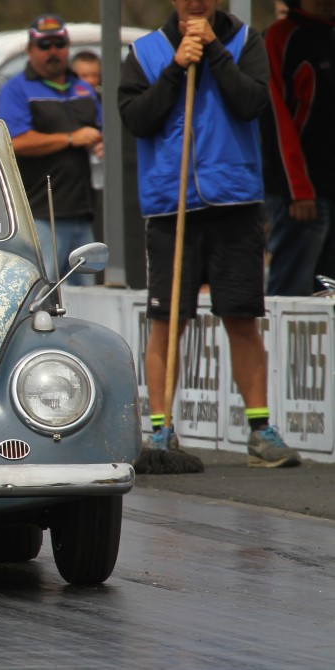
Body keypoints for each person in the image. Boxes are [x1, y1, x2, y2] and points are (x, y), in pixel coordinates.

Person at [119, 0, 300, 467]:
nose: (195, 1)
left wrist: (215, 52)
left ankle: (261, 430)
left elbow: (252, 104)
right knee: (167, 320)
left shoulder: (246, 41)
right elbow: (136, 119)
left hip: (234, 201)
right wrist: (176, 69)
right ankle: (160, 431)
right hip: (171, 204)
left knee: (241, 317)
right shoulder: (145, 51)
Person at [0, 14, 103, 285]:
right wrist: (69, 138)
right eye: (44, 46)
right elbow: (15, 142)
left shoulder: (82, 88)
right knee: (44, 297)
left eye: (59, 44)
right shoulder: (16, 89)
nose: (53, 51)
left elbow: (100, 130)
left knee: (87, 301)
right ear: (30, 50)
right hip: (41, 216)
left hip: (83, 213)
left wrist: (101, 144)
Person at [261, 0, 335, 296]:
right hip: (301, 193)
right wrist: (297, 189)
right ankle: (278, 344)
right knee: (292, 292)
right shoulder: (280, 36)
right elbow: (275, 119)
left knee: (326, 291)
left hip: (326, 186)